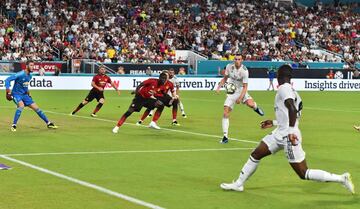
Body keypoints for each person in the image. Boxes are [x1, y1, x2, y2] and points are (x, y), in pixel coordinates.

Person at [220, 65, 355, 194]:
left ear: (280, 76)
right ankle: (239, 183)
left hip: (289, 136)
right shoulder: (293, 91)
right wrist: (273, 122)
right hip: (280, 133)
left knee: (303, 173)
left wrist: (290, 132)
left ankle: (341, 178)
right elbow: (290, 114)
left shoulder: (284, 88)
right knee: (256, 154)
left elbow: (292, 108)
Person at [216, 54, 264, 144]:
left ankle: (256, 107)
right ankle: (225, 136)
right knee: (225, 112)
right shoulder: (229, 67)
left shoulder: (245, 71)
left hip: (242, 90)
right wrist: (218, 87)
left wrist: (240, 98)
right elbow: (225, 78)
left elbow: (245, 87)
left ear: (242, 60)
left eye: (239, 59)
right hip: (232, 92)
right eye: (236, 59)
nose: (237, 60)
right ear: (234, 60)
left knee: (250, 104)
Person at [5, 61, 58, 132]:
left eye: (33, 65)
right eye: (31, 65)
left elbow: (25, 85)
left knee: (37, 108)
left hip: (25, 95)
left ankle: (48, 123)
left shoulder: (30, 76)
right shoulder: (20, 74)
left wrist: (28, 94)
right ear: (26, 66)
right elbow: (7, 80)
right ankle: (14, 125)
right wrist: (8, 92)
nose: (33, 67)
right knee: (21, 106)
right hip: (16, 94)